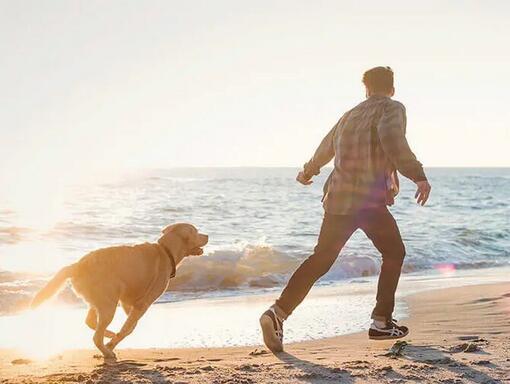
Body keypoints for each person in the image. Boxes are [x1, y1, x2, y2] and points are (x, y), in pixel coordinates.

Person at [259, 66, 432, 353]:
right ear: (392, 88)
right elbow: (392, 139)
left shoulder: (349, 115)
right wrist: (418, 175)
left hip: (338, 199)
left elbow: (326, 146)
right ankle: (381, 321)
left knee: (321, 259)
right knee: (394, 252)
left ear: (366, 88)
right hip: (369, 200)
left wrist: (308, 171)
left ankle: (277, 313)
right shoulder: (392, 108)